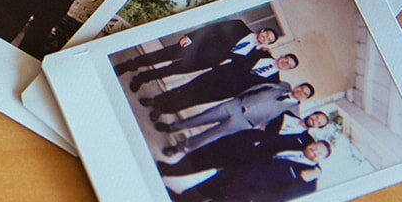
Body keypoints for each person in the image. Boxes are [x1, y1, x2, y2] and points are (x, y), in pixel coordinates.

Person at [172, 145, 329, 202]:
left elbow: (284, 199)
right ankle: (181, 199)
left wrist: (256, 199)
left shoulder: (310, 180)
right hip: (241, 172)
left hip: (248, 192)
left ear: (321, 160)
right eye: (316, 146)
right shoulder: (295, 146)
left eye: (320, 153)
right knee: (208, 187)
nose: (315, 151)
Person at [158, 81, 317, 156]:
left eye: (304, 94)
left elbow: (278, 127)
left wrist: (261, 127)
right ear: (297, 86)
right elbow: (257, 86)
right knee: (202, 117)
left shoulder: (293, 111)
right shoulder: (282, 85)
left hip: (245, 122)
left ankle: (179, 148)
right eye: (301, 88)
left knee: (211, 136)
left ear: (305, 98)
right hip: (236, 104)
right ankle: (173, 127)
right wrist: (238, 98)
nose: (300, 92)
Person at [157, 111, 331, 178]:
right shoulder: (286, 113)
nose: (315, 120)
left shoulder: (307, 142)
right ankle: (172, 168)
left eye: (319, 122)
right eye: (316, 116)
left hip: (252, 156)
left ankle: (173, 174)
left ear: (319, 127)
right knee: (206, 152)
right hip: (244, 138)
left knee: (210, 164)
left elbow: (314, 161)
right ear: (311, 114)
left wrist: (318, 172)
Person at [118, 21, 279, 88]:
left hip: (201, 62)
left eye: (269, 40)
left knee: (170, 70)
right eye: (267, 34)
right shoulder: (239, 26)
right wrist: (191, 37)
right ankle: (128, 65)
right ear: (262, 30)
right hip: (194, 47)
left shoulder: (252, 53)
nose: (265, 38)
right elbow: (212, 28)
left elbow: (239, 65)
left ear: (268, 44)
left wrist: (265, 55)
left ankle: (141, 79)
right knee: (159, 56)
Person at [139, 53, 301, 117]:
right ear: (282, 56)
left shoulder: (274, 81)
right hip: (217, 75)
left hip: (225, 90)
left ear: (288, 69)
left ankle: (162, 110)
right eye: (286, 59)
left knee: (194, 100)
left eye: (289, 65)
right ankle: (156, 100)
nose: (285, 63)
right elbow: (236, 54)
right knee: (186, 89)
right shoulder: (260, 52)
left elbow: (254, 92)